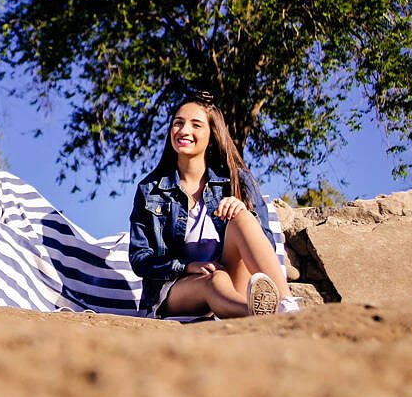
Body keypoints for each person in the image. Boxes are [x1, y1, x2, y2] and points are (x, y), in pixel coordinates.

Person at [128, 92, 300, 317]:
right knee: (214, 279)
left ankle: (286, 306)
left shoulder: (237, 181)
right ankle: (256, 314)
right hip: (175, 291)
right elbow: (140, 259)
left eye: (196, 125)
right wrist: (186, 266)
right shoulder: (150, 189)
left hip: (233, 281)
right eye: (178, 123)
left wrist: (242, 210)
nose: (184, 131)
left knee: (242, 217)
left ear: (212, 135)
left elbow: (265, 245)